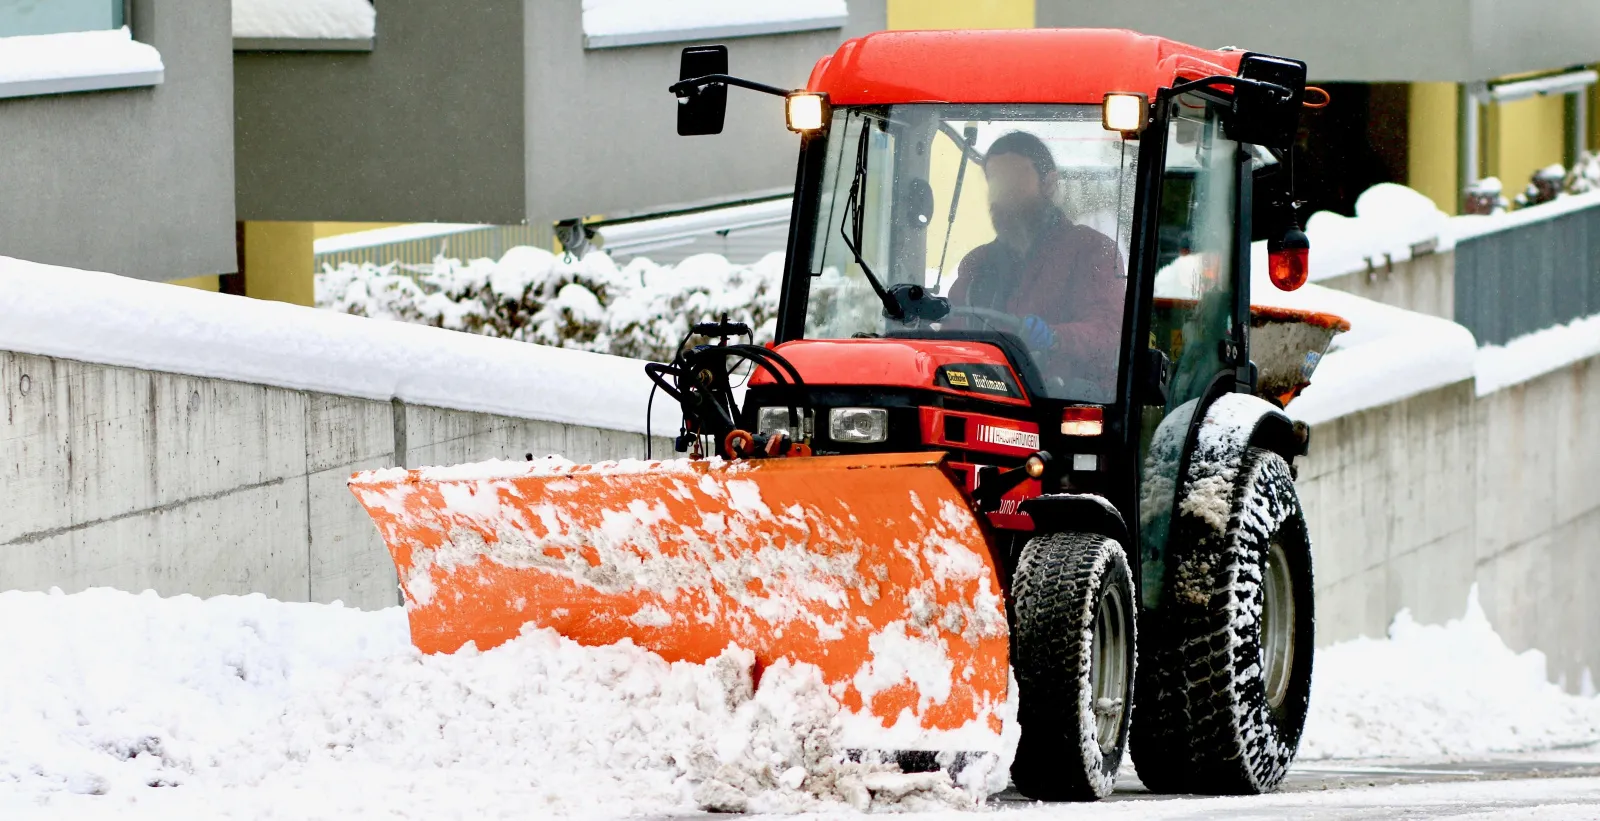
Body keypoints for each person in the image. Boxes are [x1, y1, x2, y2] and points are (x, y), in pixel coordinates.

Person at [948, 131, 1125, 393]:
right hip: (987, 397)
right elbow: (954, 328)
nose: (1000, 195)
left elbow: (1107, 333)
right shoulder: (977, 263)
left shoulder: (1091, 250)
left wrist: (1054, 337)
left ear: (1049, 184)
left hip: (1062, 405)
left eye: (1014, 181)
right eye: (995, 182)